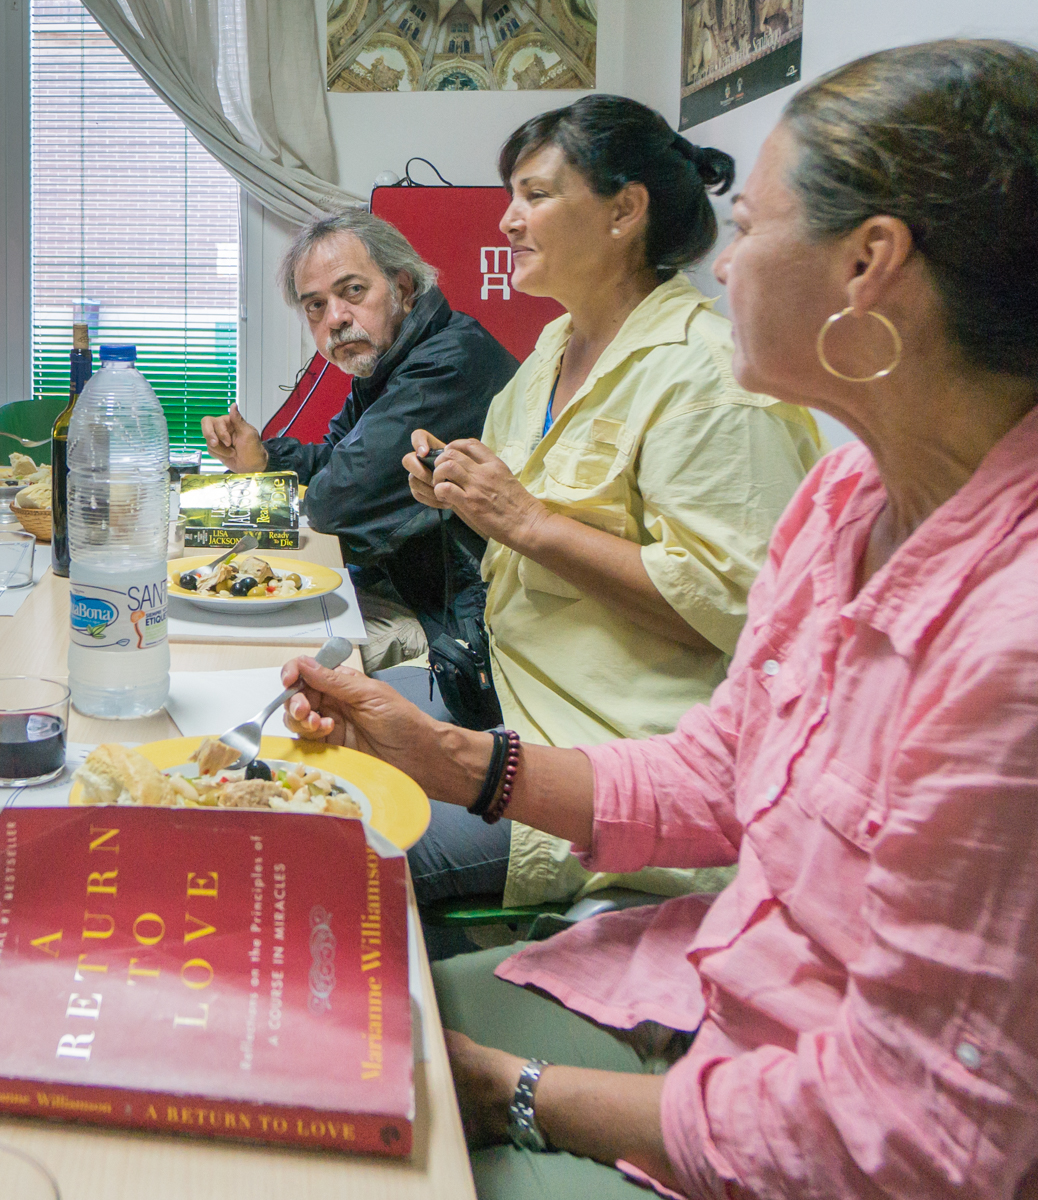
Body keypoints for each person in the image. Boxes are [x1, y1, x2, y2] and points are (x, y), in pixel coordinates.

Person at [281, 38, 1038, 1200]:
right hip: (703, 979)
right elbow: (719, 772)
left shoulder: (1009, 645)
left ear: (868, 266)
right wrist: (441, 751)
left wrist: (511, 1090)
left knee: (321, 1019)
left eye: (756, 232)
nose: (725, 269)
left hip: (785, 1122)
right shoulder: (846, 501)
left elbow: (918, 1138)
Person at [403, 96, 822, 909]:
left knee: (330, 834)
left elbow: (737, 616)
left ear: (625, 210)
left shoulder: (707, 379)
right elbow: (526, 517)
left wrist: (523, 519)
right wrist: (463, 491)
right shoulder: (552, 352)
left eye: (536, 195)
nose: (508, 220)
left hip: (608, 757)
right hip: (504, 690)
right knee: (301, 745)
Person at [201, 209, 518, 672]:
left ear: (403, 290)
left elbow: (336, 503)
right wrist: (263, 459)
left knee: (258, 649)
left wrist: (310, 482)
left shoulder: (447, 362)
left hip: (458, 623)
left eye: (352, 291)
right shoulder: (390, 356)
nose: (335, 319)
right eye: (315, 306)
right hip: (406, 587)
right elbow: (337, 460)